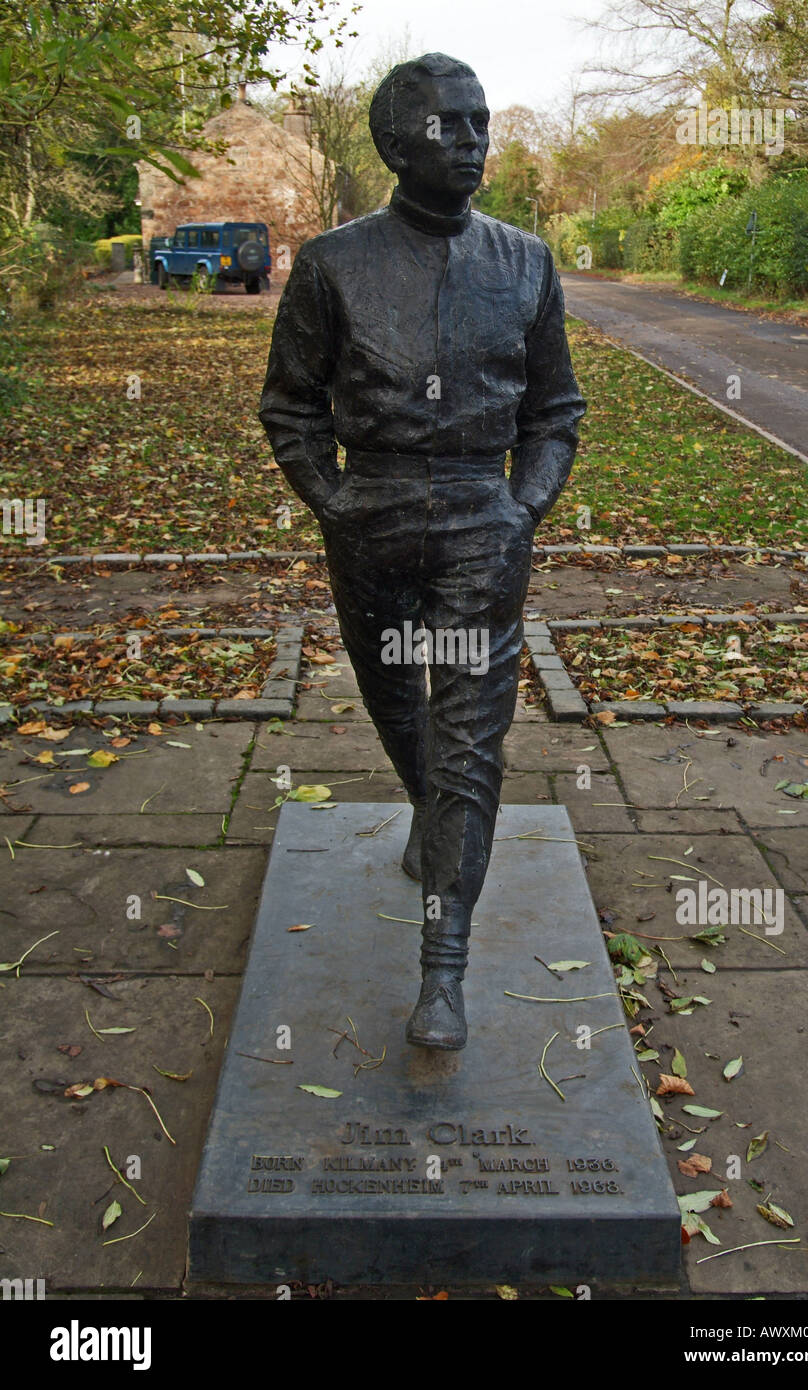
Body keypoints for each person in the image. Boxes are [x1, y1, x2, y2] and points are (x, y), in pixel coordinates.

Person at [259, 53, 586, 1050]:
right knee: (398, 703)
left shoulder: (524, 261)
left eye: (481, 123)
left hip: (480, 527)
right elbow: (290, 404)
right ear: (398, 144)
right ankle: (430, 818)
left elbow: (554, 411)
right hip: (374, 516)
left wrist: (519, 509)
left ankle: (441, 973)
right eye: (451, 126)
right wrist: (334, 502)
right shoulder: (331, 264)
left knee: (467, 744)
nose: (474, 142)